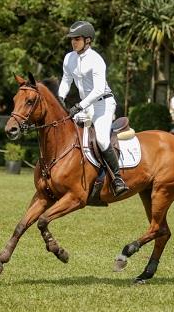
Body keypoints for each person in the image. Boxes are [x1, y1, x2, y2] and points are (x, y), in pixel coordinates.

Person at [58, 20, 128, 196]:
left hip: (103, 103)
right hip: (86, 104)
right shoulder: (69, 58)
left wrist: (78, 106)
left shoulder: (96, 60)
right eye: (72, 39)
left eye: (77, 39)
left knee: (102, 140)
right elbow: (66, 80)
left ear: (87, 40)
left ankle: (117, 179)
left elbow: (98, 90)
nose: (73, 42)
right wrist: (60, 97)